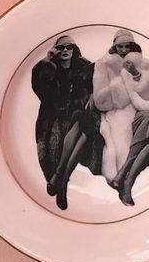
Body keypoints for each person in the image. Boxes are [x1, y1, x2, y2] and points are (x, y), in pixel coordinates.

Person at [94, 30, 149, 206]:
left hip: (140, 108)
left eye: (127, 46)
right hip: (116, 111)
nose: (123, 50)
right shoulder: (104, 65)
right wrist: (118, 87)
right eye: (120, 46)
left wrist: (136, 75)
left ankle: (124, 176)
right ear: (114, 46)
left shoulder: (142, 63)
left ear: (133, 47)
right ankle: (126, 181)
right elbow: (100, 100)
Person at [31, 35, 100, 210]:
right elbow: (39, 88)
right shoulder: (48, 69)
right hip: (53, 116)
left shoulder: (85, 67)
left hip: (76, 114)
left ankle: (60, 178)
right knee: (57, 145)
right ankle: (62, 184)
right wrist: (47, 60)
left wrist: (93, 93)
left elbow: (99, 79)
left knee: (84, 122)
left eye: (69, 47)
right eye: (61, 48)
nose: (65, 51)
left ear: (74, 49)